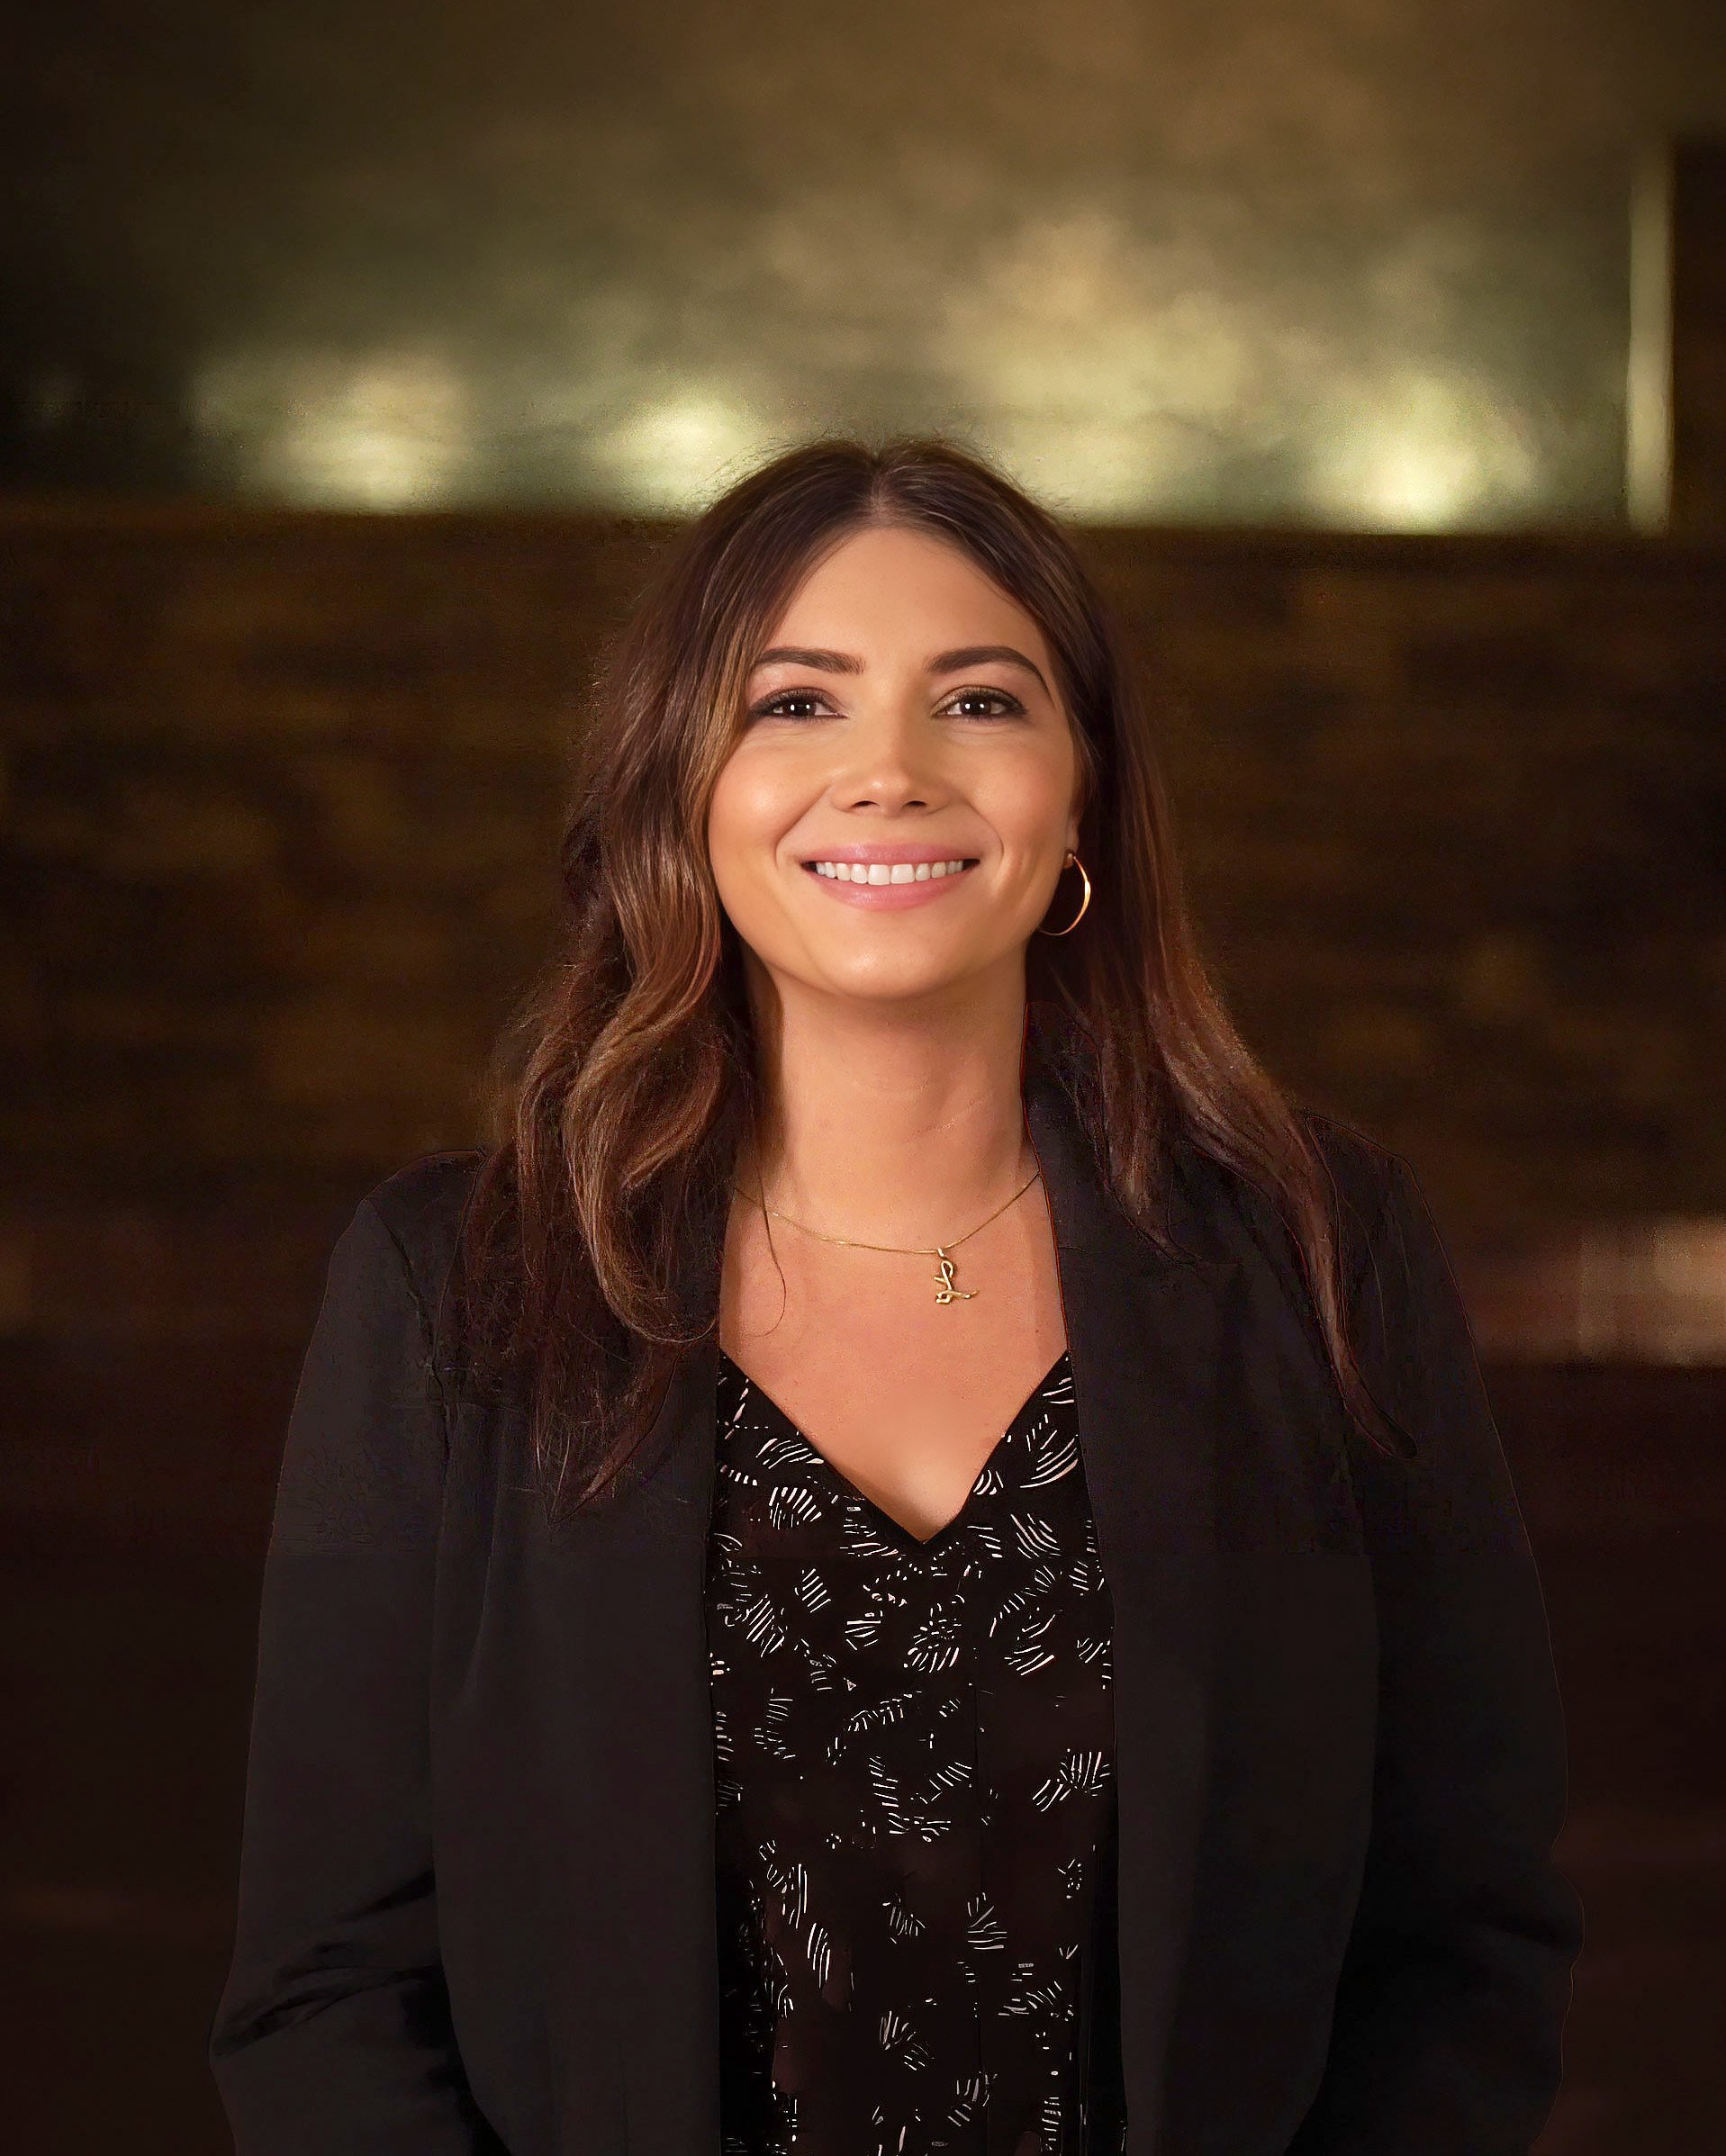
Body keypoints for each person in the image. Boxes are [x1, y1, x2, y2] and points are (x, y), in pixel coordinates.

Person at [209, 438, 1584, 2156]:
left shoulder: (1314, 1254)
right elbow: (327, 1991)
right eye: (795, 705)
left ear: (1079, 789)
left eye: (980, 702)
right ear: (676, 784)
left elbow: (1460, 1944)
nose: (888, 774)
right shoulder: (459, 1290)